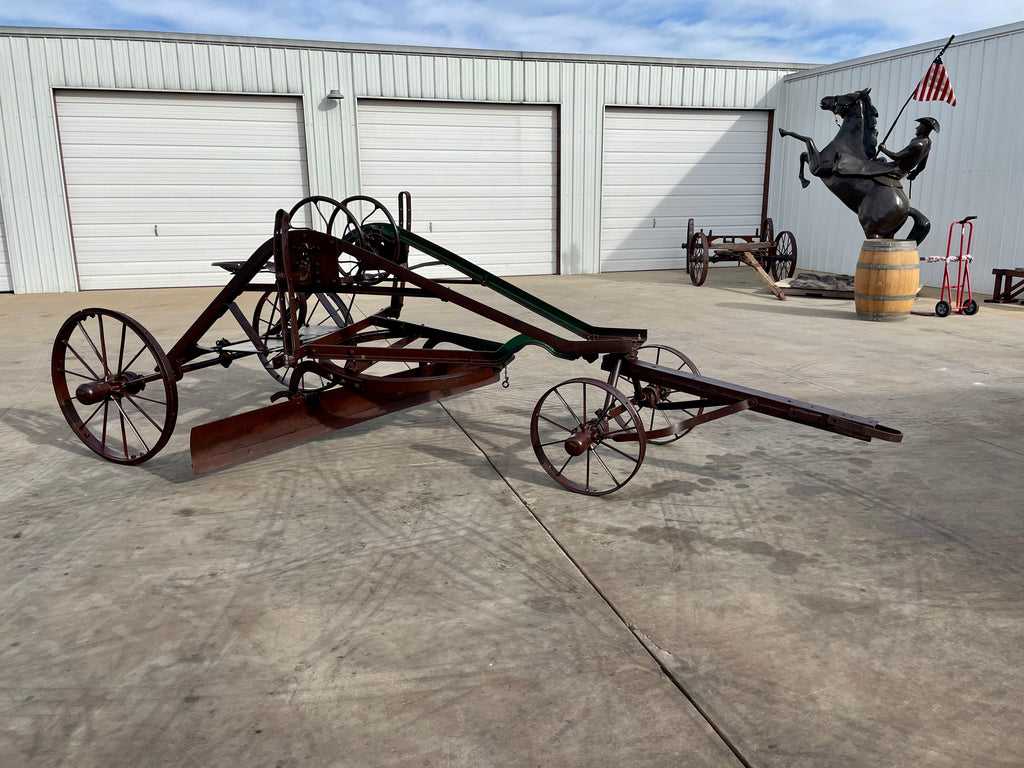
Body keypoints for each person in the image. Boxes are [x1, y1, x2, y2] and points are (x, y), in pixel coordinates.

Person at [876, 117, 939, 181]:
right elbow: (922, 166)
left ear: (923, 128)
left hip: (895, 169)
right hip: (903, 171)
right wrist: (915, 173)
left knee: (872, 165)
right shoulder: (928, 144)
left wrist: (883, 149)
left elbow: (896, 156)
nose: (916, 128)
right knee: (882, 160)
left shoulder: (918, 144)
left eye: (919, 126)